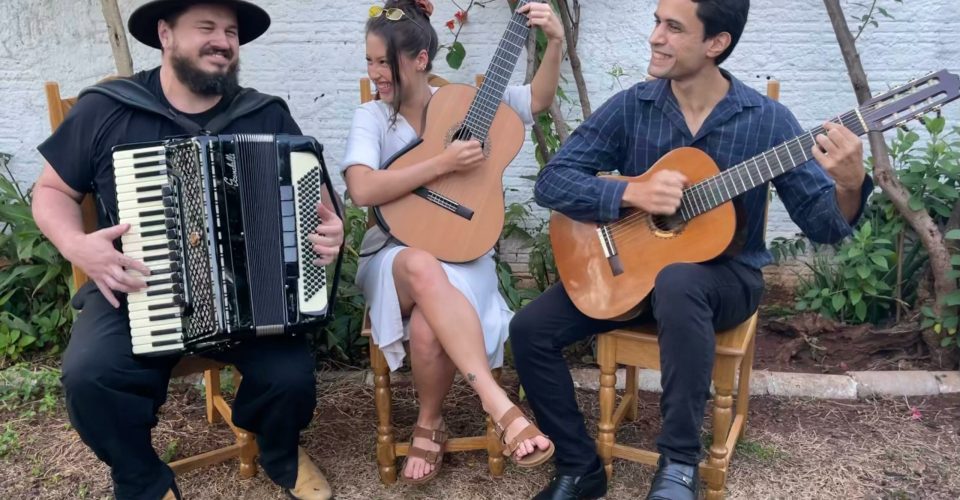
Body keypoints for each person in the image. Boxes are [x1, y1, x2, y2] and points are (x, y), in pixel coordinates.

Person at [509, 0, 873, 498]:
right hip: (633, 273)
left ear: (715, 43)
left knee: (678, 280)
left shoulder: (768, 122)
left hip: (726, 278)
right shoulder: (634, 105)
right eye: (657, 22)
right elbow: (552, 182)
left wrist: (850, 186)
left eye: (673, 27)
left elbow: (824, 226)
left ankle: (679, 464)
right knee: (529, 329)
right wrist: (629, 193)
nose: (655, 36)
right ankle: (578, 466)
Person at [31, 2, 343, 499]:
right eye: (207, 28)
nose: (222, 40)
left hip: (248, 296)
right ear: (165, 34)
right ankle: (141, 480)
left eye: (231, 31)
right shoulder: (109, 107)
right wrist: (76, 245)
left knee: (292, 377)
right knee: (90, 376)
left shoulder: (265, 113)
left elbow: (322, 203)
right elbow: (50, 192)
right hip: (140, 285)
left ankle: (279, 451)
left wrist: (330, 232)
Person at [340, 0, 564, 485]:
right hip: (394, 255)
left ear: (420, 59)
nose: (376, 73)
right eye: (371, 62)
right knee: (421, 264)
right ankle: (498, 404)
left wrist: (556, 43)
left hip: (465, 251)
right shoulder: (373, 117)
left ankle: (429, 421)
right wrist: (442, 163)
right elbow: (362, 189)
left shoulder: (470, 101)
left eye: (385, 62)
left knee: (426, 328)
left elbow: (539, 100)